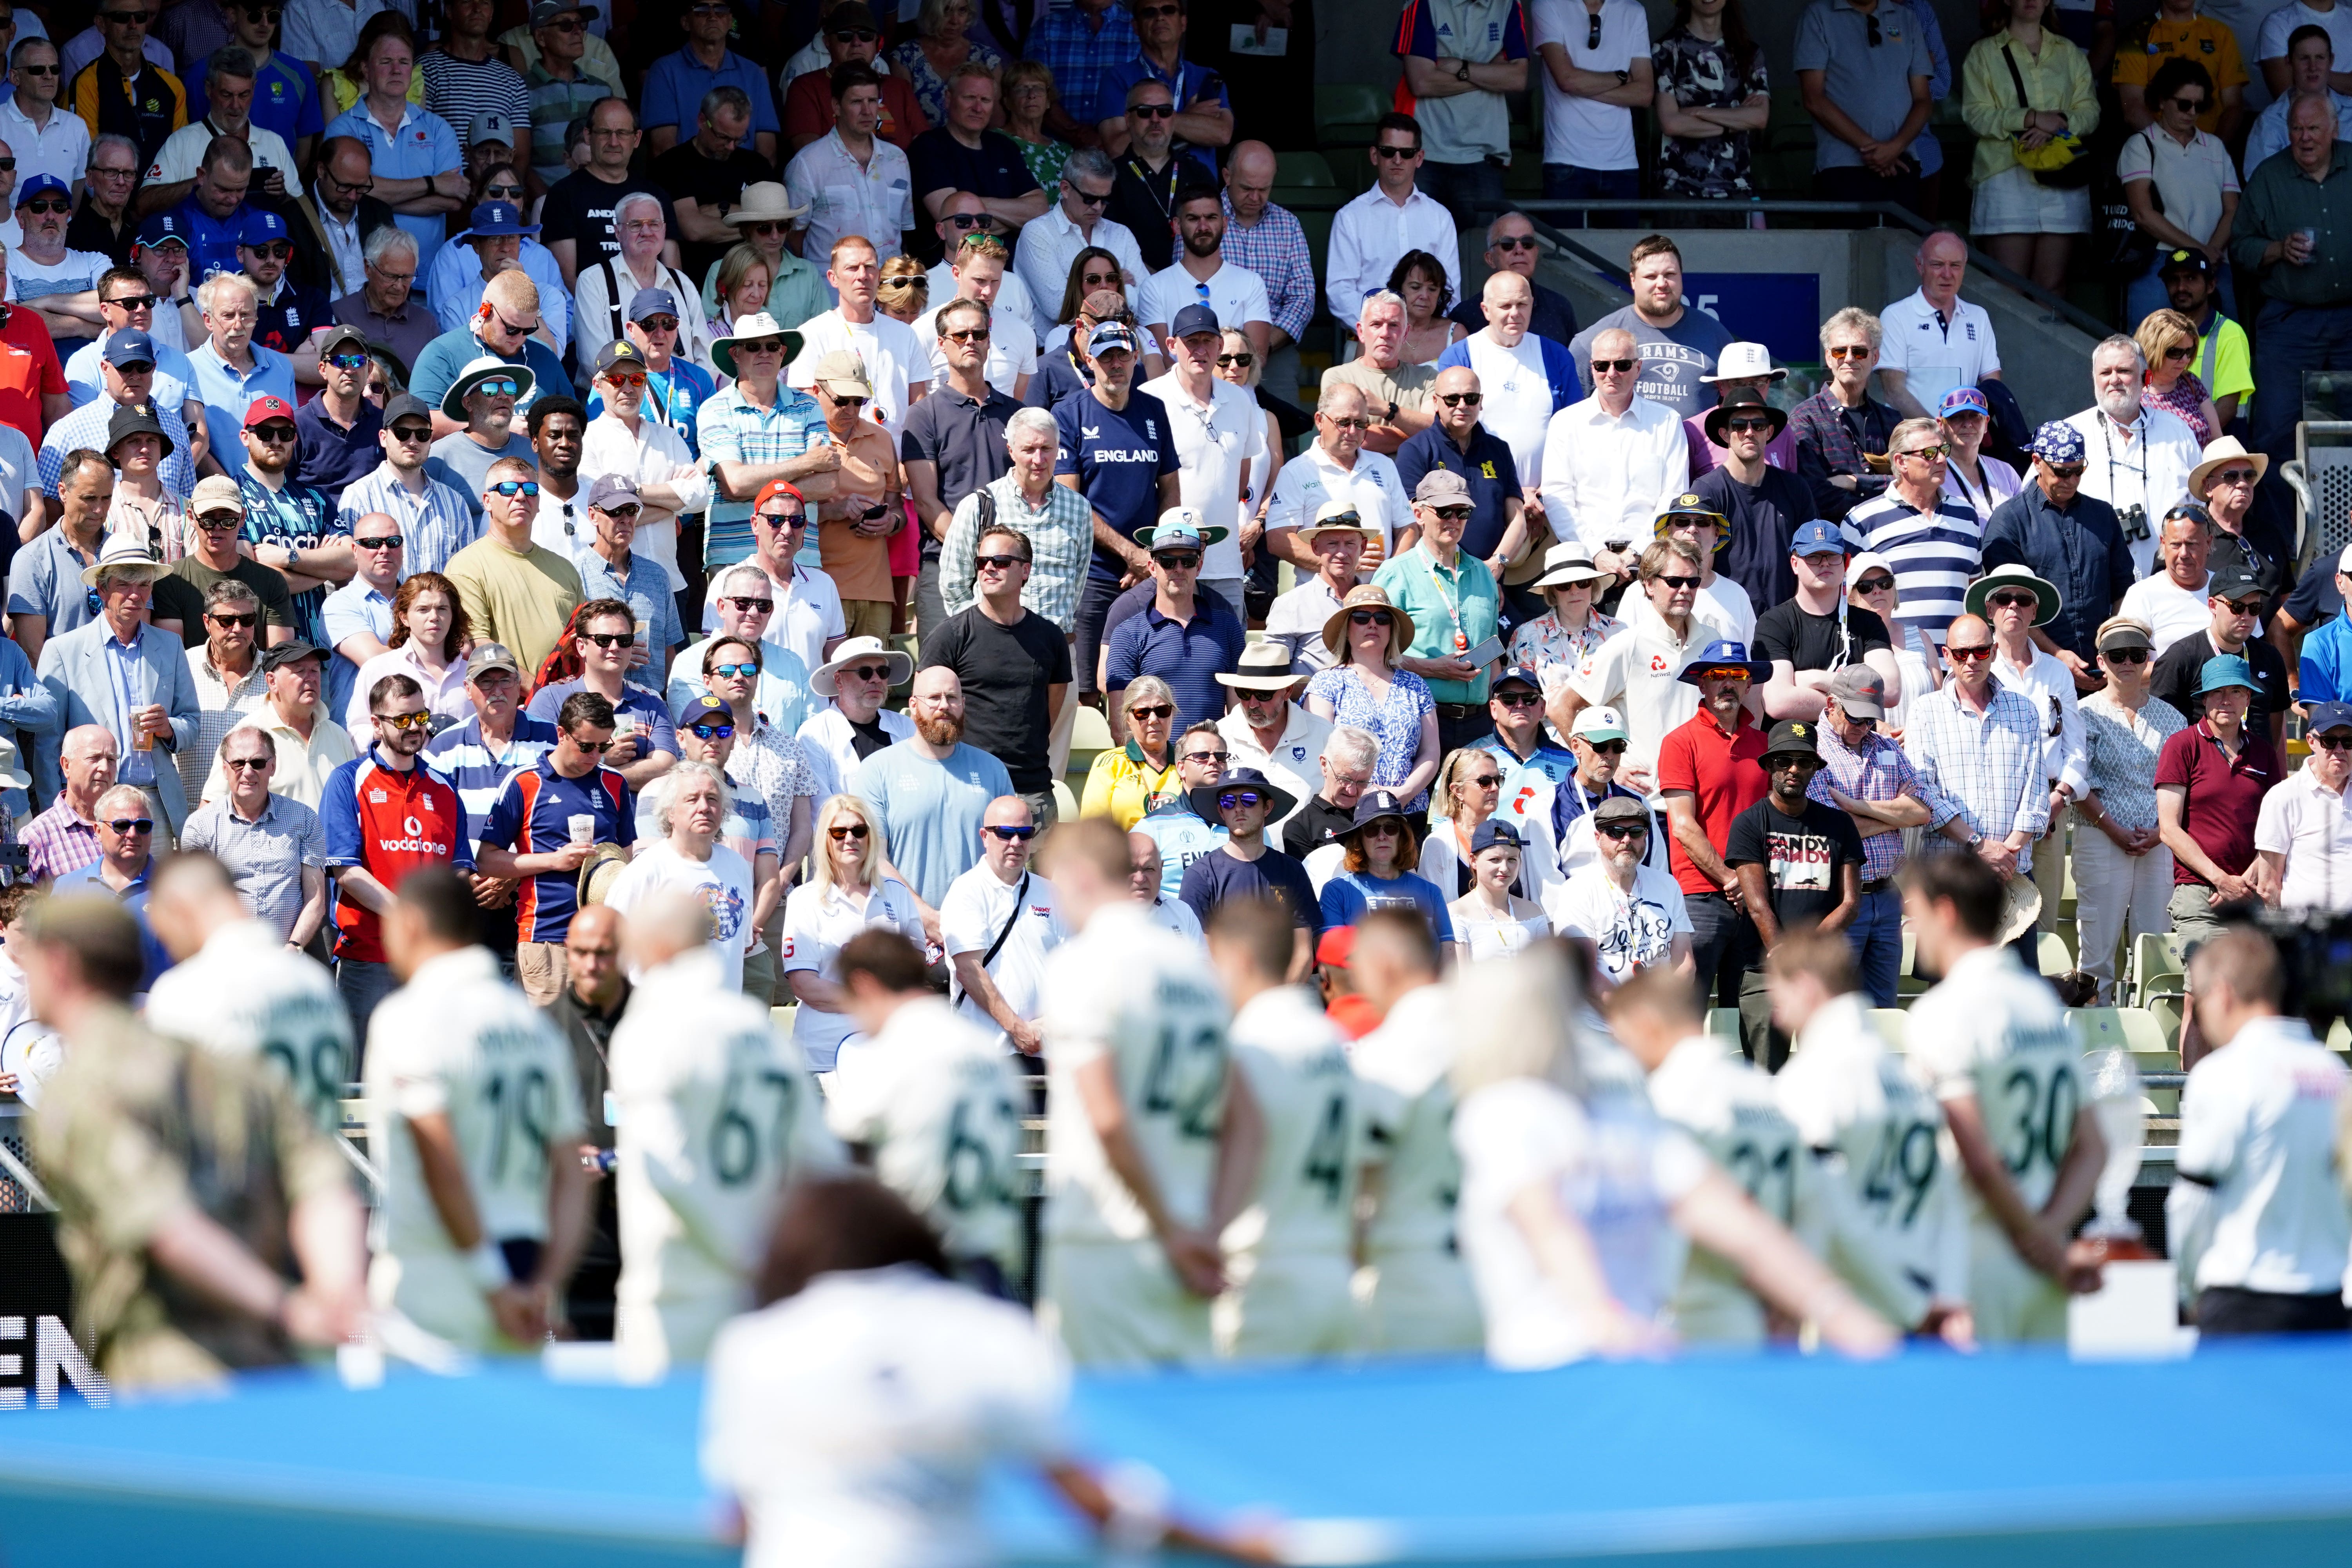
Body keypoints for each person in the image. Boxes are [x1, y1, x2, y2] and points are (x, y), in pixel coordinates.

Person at [1448, 945, 1896, 1365]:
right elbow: (1747, 1228)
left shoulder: (1548, 1114)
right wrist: (1835, 1311)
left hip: (1592, 1356)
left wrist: (1835, 1310)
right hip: (1622, 1353)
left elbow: (1732, 1220)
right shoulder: (1609, 1118)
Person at [25, 891, 363, 1388]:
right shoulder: (213, 1062)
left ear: (59, 964)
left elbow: (166, 1226)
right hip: (277, 1361)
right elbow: (319, 1174)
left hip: (172, 1363)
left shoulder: (77, 1090)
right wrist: (338, 1290)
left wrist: (287, 1308)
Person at [1028, 817, 1254, 1363]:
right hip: (1196, 1239)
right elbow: (1247, 1122)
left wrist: (1170, 1229)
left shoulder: (1080, 964)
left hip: (1106, 1240)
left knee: (1106, 1435)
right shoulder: (1197, 969)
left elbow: (1106, 1116)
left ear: (1078, 876)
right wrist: (1209, 1230)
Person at [361, 864, 590, 1351]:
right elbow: (572, 1176)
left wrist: (493, 1283)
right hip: (526, 1266)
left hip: (440, 1270)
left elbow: (441, 1161)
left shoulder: (409, 1015)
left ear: (410, 925)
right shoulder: (533, 1026)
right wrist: (543, 1285)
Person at [1901, 850, 2105, 1342]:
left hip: (1975, 1263)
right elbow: (2094, 1149)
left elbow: (1980, 1158)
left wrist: (2036, 1241)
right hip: (2046, 1263)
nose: (1912, 930)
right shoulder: (2042, 1005)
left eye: (1917, 914)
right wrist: (2050, 1235)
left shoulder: (1944, 1010)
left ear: (1945, 913)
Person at [1766, 927, 1973, 1340]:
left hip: (1860, 1317)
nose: (1775, 1015)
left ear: (1806, 987)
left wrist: (1911, 1307)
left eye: (1778, 998)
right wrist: (1948, 1298)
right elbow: (1950, 1196)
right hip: (1929, 1296)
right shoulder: (1907, 1076)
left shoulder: (1810, 1077)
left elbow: (1827, 1208)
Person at [2165, 926, 2352, 1336]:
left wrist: (2188, 1290)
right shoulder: (2336, 1074)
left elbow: (2192, 1206)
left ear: (2223, 993)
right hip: (2329, 1308)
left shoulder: (2223, 1073)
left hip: (2242, 1308)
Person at [825, 926, 1030, 1298]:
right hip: (992, 1272)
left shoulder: (891, 1054)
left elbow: (837, 1161)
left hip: (918, 1271)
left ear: (865, 986)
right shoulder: (989, 1055)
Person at [318, 668, 466, 1034]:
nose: (415, 727)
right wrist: (408, 917)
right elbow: (346, 872)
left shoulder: (444, 787)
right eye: (402, 719)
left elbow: (459, 871)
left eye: (420, 717)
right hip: (369, 957)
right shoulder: (347, 780)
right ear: (376, 724)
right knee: (364, 1080)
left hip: (432, 962)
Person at [36, 534, 200, 842]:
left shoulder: (170, 646)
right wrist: (55, 816)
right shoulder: (63, 651)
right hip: (92, 808)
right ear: (102, 588)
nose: (135, 596)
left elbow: (192, 722)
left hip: (155, 807)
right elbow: (48, 746)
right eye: (124, 585)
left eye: (143, 586)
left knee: (155, 892)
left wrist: (169, 729)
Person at [474, 689, 633, 1005]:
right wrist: (554, 861)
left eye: (604, 746)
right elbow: (487, 861)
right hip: (545, 938)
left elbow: (626, 858)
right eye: (586, 746)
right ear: (561, 734)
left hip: (603, 943)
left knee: (598, 1050)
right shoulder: (525, 782)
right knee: (549, 1047)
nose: (595, 756)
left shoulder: (614, 783)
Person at [1722, 717, 1864, 1067]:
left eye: (1804, 761)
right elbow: (1756, 904)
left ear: (1816, 767)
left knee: (1834, 1074)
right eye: (1784, 761)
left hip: (1823, 970)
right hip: (1765, 971)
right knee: (1767, 1075)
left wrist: (1806, 956)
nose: (1794, 769)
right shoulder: (1749, 823)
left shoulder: (1839, 824)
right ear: (1770, 765)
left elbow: (1850, 903)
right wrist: (1788, 958)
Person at [1052, 318, 1179, 697]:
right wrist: (1130, 553)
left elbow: (1170, 488)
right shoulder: (1069, 413)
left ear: (1136, 357)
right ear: (1089, 360)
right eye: (1106, 357)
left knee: (1151, 687)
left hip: (1148, 574)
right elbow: (1069, 502)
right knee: (1090, 689)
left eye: (1123, 355)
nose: (1116, 365)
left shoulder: (1154, 410)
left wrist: (1154, 556)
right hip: (1091, 576)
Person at [2072, 616, 2185, 997]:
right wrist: (2113, 829)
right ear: (2101, 660)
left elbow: (2183, 784)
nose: (2127, 663)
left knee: (2154, 945)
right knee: (2097, 950)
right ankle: (2095, 1038)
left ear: (2147, 659)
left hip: (2158, 842)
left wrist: (2160, 833)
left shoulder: (2173, 718)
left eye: (2136, 655)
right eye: (2117, 655)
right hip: (2100, 836)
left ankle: (2150, 1031)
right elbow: (2075, 783)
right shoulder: (2081, 714)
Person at [850, 664, 1013, 918]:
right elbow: (874, 859)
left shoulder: (993, 770)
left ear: (963, 703)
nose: (944, 706)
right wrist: (924, 916)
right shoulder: (877, 770)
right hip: (905, 932)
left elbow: (1009, 852)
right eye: (934, 698)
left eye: (952, 698)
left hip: (982, 926)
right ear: (914, 705)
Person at [780, 792, 924, 1075]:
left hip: (891, 1054)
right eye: (839, 832)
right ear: (826, 840)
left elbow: (916, 969)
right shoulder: (804, 899)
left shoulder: (897, 893)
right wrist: (878, 1002)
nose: (850, 839)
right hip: (823, 1056)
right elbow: (805, 986)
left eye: (859, 830)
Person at [2156, 653, 2282, 972]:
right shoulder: (2182, 745)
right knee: (2199, 1000)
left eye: (2236, 691)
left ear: (2248, 699)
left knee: (2253, 997)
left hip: (2253, 893)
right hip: (2200, 894)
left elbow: (2280, 828)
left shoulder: (2265, 753)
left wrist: (2247, 878)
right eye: (2217, 692)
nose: (2226, 700)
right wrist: (2221, 880)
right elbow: (2169, 830)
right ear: (2204, 700)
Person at [1977, 421, 2131, 681]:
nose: (2071, 481)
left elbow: (2124, 589)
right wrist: (2058, 654)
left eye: (2078, 471)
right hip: (2034, 670)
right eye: (2061, 472)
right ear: (2037, 462)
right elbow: (2007, 605)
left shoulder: (2103, 515)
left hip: (2103, 666)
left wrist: (2113, 646)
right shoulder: (2009, 520)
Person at [1553, 539, 1710, 794]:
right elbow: (1560, 706)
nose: (1685, 589)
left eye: (1692, 582)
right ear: (1648, 584)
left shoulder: (1712, 640)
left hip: (1706, 793)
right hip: (1648, 801)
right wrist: (1608, 765)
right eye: (1674, 581)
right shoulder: (1627, 644)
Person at [538, 900, 628, 1340]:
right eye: (582, 952)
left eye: (604, 952)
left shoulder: (656, 1019)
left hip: (653, 1207)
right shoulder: (542, 1028)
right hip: (582, 1218)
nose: (592, 964)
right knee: (589, 1353)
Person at [1372, 469, 1501, 757]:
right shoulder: (1395, 574)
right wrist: (1433, 668)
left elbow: (1492, 654)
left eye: (1462, 511)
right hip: (1418, 719)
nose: (1454, 520)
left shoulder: (1483, 573)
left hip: (1480, 724)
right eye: (1444, 511)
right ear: (1419, 513)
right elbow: (1370, 656)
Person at [600, 763, 756, 996]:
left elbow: (736, 946)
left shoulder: (738, 866)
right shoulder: (645, 871)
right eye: (692, 799)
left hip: (723, 1019)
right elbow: (612, 948)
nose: (704, 807)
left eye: (713, 799)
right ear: (670, 812)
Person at [317, 24, 463, 275]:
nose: (396, 70)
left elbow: (452, 201)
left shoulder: (438, 128)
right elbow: (344, 194)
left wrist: (371, 201)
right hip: (363, 282)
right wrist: (432, 184)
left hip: (427, 279)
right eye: (386, 61)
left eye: (404, 62)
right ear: (366, 70)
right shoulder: (343, 129)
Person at [1835, 416, 1982, 654]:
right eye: (1930, 453)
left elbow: (1973, 591)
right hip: (1894, 667)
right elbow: (1841, 597)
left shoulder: (1967, 515)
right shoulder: (1861, 520)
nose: (1943, 459)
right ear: (1901, 462)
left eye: (1944, 449)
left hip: (1961, 668)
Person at [1539, 324, 1686, 559]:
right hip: (1584, 560)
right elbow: (1557, 495)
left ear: (1638, 368)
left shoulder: (1667, 421)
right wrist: (1596, 553)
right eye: (1602, 365)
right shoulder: (1565, 423)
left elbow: (1674, 495)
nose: (1611, 373)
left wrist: (1638, 552)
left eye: (1622, 365)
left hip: (1650, 561)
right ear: (1592, 368)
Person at [933, 792, 1061, 1062]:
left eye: (1025, 833)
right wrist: (1020, 1030)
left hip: (1045, 1051)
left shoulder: (1051, 893)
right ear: (984, 836)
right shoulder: (966, 891)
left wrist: (1049, 1026)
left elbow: (1073, 966)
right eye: (1005, 833)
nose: (1016, 842)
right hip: (986, 1056)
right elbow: (969, 971)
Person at [176, 725, 328, 947]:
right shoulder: (200, 826)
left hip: (289, 955)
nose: (248, 772)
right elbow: (194, 904)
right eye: (238, 763)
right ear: (225, 769)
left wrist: (293, 948)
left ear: (273, 766)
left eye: (257, 763)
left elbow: (315, 900)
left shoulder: (304, 819)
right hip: (226, 957)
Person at [2063, 334, 2200, 579]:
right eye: (2106, 373)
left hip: (2168, 583)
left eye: (2124, 371)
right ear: (2094, 380)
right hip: (2092, 584)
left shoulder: (2178, 432)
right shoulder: (2069, 435)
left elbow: (2202, 505)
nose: (2114, 380)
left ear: (2145, 378)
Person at [1305, 582, 1439, 813]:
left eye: (1382, 619)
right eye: (1361, 617)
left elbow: (1431, 752)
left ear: (1391, 629)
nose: (1373, 624)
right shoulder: (1325, 683)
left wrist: (1404, 793)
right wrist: (1361, 794)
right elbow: (1320, 749)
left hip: (1407, 810)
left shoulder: (1416, 685)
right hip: (1348, 812)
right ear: (1346, 629)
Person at [1566, 236, 1733, 420]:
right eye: (1651, 277)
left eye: (1670, 275)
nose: (1661, 284)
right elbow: (1573, 415)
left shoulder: (1716, 336)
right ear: (1633, 280)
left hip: (1695, 449)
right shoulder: (1593, 341)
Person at [443, 453, 582, 673]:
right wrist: (541, 693)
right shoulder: (466, 567)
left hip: (570, 700)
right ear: (487, 501)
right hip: (510, 703)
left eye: (530, 490)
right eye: (508, 489)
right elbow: (479, 647)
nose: (520, 497)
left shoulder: (565, 569)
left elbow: (582, 639)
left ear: (538, 503)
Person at [1793, 0, 1934, 215]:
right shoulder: (1818, 15)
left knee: (1900, 246)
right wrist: (1874, 150)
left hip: (1901, 164)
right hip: (1842, 167)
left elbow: (1923, 100)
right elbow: (1813, 98)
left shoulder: (1907, 18)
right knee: (1842, 247)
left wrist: (1896, 147)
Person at [1754, 520, 1901, 722]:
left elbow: (1890, 691)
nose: (1824, 563)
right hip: (1797, 748)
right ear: (1795, 564)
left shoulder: (1870, 624)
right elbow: (1778, 702)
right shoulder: (1774, 622)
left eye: (1832, 556)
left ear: (1845, 563)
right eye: (1813, 556)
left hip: (1857, 748)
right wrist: (1857, 705)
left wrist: (1815, 679)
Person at [1323, 112, 1458, 329]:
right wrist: (1383, 328)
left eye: (1406, 153)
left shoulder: (1440, 217)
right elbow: (1340, 292)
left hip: (1427, 339)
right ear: (1375, 156)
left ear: (1420, 158)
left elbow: (1449, 291)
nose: (1397, 160)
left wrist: (1425, 333)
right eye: (1389, 152)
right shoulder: (1350, 217)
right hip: (1368, 339)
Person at [1178, 765, 1319, 968]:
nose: (1238, 808)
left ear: (1267, 807)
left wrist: (1278, 998)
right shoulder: (1199, 875)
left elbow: (1303, 953)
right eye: (1228, 802)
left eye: (1249, 800)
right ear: (1221, 811)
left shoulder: (1292, 870)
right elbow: (1200, 955)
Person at [1547, 793, 1691, 991]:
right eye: (1615, 832)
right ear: (1598, 838)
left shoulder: (1668, 884)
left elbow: (1685, 963)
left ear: (1646, 836)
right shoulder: (1577, 890)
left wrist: (1664, 1012)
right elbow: (1584, 972)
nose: (1626, 840)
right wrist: (1627, 1019)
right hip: (1601, 1018)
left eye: (1636, 831)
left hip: (1663, 1011)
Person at [1264, 382, 1410, 574]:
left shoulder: (1384, 465)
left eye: (1360, 424)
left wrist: (1391, 573)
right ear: (1320, 421)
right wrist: (1343, 565)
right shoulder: (1296, 471)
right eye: (1343, 422)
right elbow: (1278, 539)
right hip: (1323, 596)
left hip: (1380, 594)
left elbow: (1408, 528)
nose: (1352, 432)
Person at [196, 636, 352, 809]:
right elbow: (209, 810)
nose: (310, 678)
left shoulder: (338, 735)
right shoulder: (245, 738)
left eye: (315, 670)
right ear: (272, 681)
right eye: (300, 671)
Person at [2151, 565, 2292, 753]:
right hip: (2200, 774)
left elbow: (2274, 728)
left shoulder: (2270, 657)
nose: (2246, 616)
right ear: (2212, 605)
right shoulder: (2181, 657)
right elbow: (2160, 727)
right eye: (2237, 607)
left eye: (2255, 608)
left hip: (2256, 773)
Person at [1528, 0, 1651, 214]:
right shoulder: (1548, 5)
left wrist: (1583, 86)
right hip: (1566, 160)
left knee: (1623, 248)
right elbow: (1568, 80)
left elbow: (1644, 94)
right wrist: (1623, 76)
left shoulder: (1634, 11)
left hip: (1623, 163)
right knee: (1565, 247)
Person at [53, 781, 173, 987]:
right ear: (98, 830)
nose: (133, 834)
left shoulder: (173, 891)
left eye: (143, 826)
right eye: (122, 825)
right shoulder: (67, 889)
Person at [1790, 307, 1900, 523]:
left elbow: (1912, 481)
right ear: (1829, 358)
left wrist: (1854, 482)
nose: (1849, 359)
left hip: (1890, 541)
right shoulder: (1804, 419)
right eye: (1840, 351)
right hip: (1831, 549)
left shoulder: (1892, 421)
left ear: (1875, 357)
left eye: (1860, 352)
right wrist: (1884, 495)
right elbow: (1815, 495)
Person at [1316, 788, 1451, 942]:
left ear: (1403, 836)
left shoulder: (1431, 892)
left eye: (1391, 828)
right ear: (1359, 840)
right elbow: (1330, 960)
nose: (1382, 837)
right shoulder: (1337, 892)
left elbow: (1448, 952)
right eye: (1372, 830)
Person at [2256, 699, 2352, 911]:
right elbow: (2268, 886)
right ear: (2311, 741)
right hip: (2309, 937)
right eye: (2328, 741)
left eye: (2349, 741)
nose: (2339, 750)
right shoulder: (2284, 797)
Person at [1507, 543, 1617, 704]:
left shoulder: (1619, 632)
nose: (1575, 591)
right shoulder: (1527, 635)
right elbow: (1521, 702)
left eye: (1583, 582)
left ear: (1593, 585)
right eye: (1564, 585)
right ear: (1552, 591)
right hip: (1549, 728)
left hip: (1610, 727)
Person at [2163, 246, 2254, 434]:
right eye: (2174, 280)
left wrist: (2185, 442)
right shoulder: (2158, 335)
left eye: (2191, 279)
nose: (2181, 288)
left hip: (2219, 447)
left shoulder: (2229, 333)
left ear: (2211, 286)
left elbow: (2228, 407)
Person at [2190, 434, 2290, 602]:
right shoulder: (2191, 536)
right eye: (2231, 476)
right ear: (2208, 487)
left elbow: (2286, 596)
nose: (2243, 484)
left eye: (2249, 476)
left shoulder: (2271, 534)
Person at [23, 725, 119, 885]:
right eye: (94, 758)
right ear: (67, 766)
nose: (105, 768)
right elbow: (19, 904)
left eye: (111, 760)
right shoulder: (37, 837)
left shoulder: (129, 827)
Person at [2119, 501, 2220, 652]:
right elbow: (2125, 667)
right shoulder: (2141, 595)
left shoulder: (2227, 589)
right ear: (2163, 544)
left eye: (2192, 544)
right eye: (2176, 545)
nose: (2184, 554)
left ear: (2208, 543)